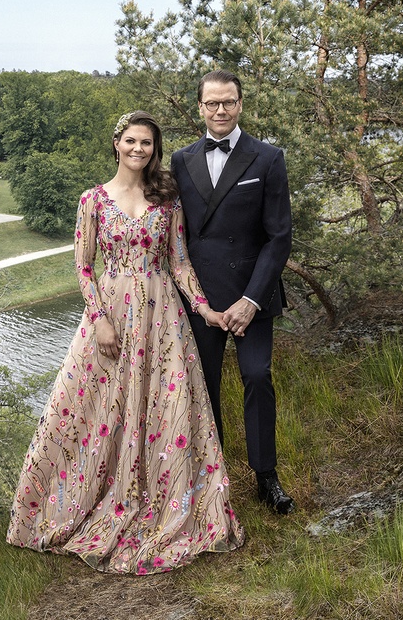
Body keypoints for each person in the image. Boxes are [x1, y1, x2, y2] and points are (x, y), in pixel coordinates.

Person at [6, 110, 244, 574]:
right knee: (94, 410)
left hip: (162, 317)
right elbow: (83, 265)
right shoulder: (93, 199)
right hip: (111, 314)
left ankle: (164, 501)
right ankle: (74, 503)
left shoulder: (166, 198)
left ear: (155, 150)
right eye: (132, 141)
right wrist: (99, 320)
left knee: (163, 405)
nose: (139, 150)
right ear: (117, 143)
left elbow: (178, 263)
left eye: (148, 144)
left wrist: (205, 309)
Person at [170, 70, 296, 515]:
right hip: (200, 297)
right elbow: (176, 232)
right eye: (212, 104)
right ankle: (211, 477)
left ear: (240, 104)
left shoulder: (267, 158)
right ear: (200, 108)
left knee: (257, 377)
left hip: (252, 296)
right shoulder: (181, 161)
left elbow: (278, 237)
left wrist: (252, 300)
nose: (220, 111)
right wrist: (197, 301)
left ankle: (267, 477)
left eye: (228, 102)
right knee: (203, 387)